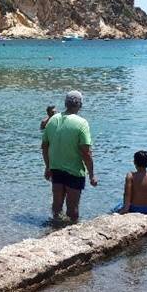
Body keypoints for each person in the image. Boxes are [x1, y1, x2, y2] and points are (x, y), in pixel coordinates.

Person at [41, 90, 96, 222]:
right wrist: (92, 174)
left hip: (56, 168)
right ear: (80, 105)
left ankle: (54, 228)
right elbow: (86, 152)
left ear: (65, 103)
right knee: (72, 209)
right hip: (74, 171)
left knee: (57, 205)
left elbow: (44, 146)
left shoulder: (53, 120)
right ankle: (72, 231)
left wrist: (48, 166)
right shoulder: (82, 123)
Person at [118, 150, 147, 215]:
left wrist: (125, 209)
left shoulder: (130, 176)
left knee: (115, 208)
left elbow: (127, 195)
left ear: (134, 162)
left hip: (133, 208)